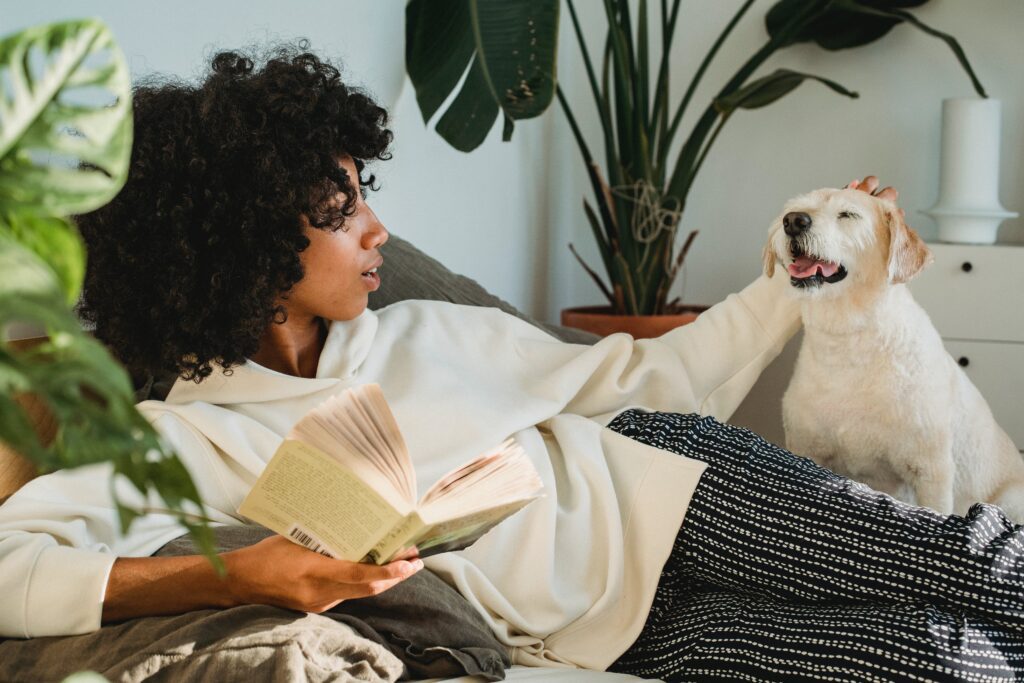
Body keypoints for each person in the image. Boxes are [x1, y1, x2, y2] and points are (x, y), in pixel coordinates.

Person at [1, 44, 1023, 682]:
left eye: (365, 193)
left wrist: (795, 274)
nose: (376, 230)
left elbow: (647, 383)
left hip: (664, 493)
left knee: (966, 560)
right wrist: (240, 567)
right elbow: (11, 570)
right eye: (341, 207)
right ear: (239, 241)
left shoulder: (421, 330)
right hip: (604, 636)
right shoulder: (173, 439)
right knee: (931, 654)